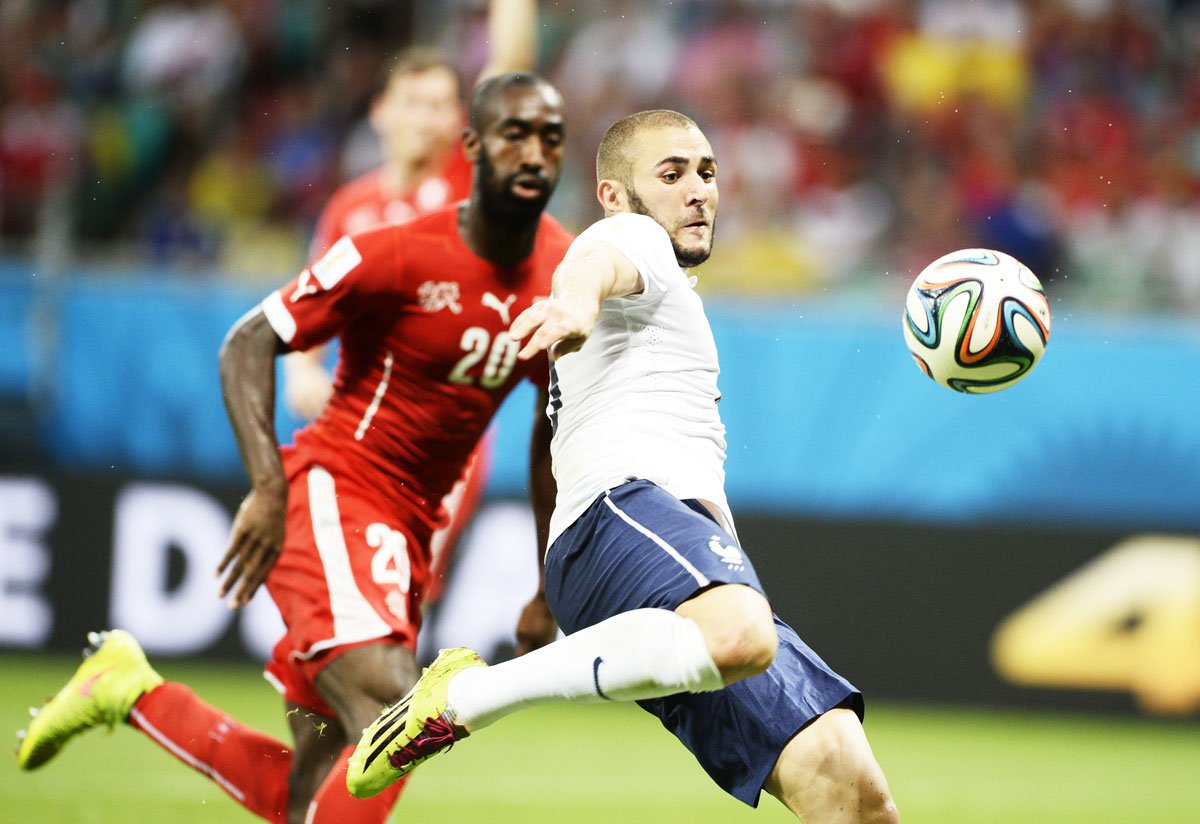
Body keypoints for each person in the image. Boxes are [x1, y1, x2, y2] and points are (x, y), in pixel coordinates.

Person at [17, 72, 571, 824]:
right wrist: (268, 487)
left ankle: (130, 691)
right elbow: (248, 341)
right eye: (515, 135)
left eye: (551, 137)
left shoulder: (564, 275)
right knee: (396, 708)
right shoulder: (394, 252)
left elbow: (550, 428)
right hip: (335, 490)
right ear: (470, 147)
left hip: (408, 531)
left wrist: (547, 582)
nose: (534, 153)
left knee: (305, 791)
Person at [346, 109, 901, 823]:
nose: (697, 190)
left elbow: (550, 446)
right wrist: (574, 302)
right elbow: (594, 263)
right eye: (670, 175)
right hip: (626, 514)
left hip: (661, 552)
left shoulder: (663, 301)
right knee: (741, 633)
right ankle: (464, 698)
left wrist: (550, 594)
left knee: (852, 792)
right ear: (615, 194)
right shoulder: (629, 239)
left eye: (706, 172)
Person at [286, 0, 539, 607]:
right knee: (346, 590)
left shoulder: (463, 179)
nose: (427, 119)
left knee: (401, 589)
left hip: (443, 428)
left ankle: (394, 699)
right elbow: (315, 307)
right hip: (361, 423)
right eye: (414, 103)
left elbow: (511, 66)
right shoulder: (350, 208)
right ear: (380, 111)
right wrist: (300, 370)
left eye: (440, 106)